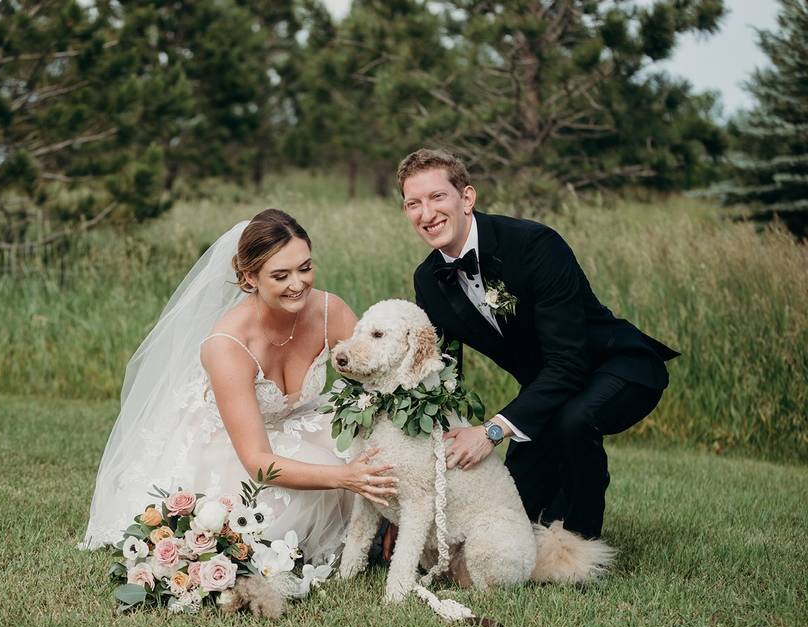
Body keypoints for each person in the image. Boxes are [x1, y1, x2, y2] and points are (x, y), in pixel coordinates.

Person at [80, 209, 398, 561]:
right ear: (250, 278)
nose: (298, 284)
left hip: (298, 423)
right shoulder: (228, 345)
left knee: (361, 437)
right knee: (300, 493)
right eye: (280, 275)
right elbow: (258, 462)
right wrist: (344, 477)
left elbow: (381, 379)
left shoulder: (329, 310)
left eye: (305, 268)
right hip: (236, 450)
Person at [397, 149, 678, 540]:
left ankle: (579, 546)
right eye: (414, 203)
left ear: (467, 198)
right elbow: (442, 371)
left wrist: (492, 431)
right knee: (516, 511)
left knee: (574, 421)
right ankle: (549, 514)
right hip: (548, 392)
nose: (426, 214)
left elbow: (568, 361)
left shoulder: (534, 245)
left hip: (618, 367)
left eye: (437, 197)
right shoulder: (428, 280)